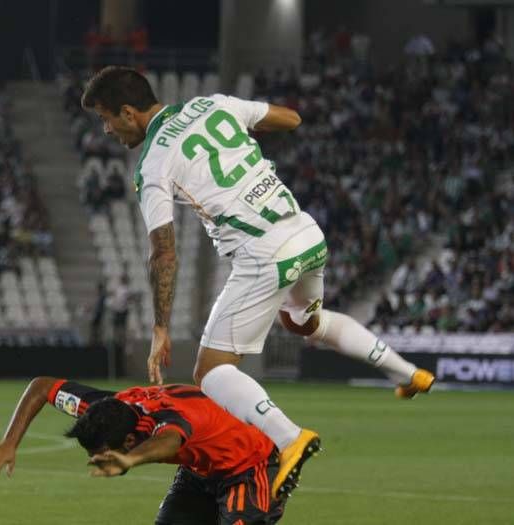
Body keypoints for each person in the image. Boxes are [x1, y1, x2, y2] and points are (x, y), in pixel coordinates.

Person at [79, 66, 435, 498]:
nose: (106, 129)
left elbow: (164, 252)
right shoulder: (213, 104)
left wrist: (160, 327)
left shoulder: (153, 164)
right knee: (303, 322)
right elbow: (291, 119)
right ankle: (408, 373)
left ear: (129, 112)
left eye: (106, 118)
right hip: (304, 233)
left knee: (211, 371)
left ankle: (289, 438)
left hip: (263, 253)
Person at [0, 377, 298, 523]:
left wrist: (128, 461)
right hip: (200, 469)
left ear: (130, 443)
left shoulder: (170, 422)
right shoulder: (105, 410)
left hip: (252, 465)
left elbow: (171, 440)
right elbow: (42, 387)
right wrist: (9, 443)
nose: (94, 459)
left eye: (102, 452)